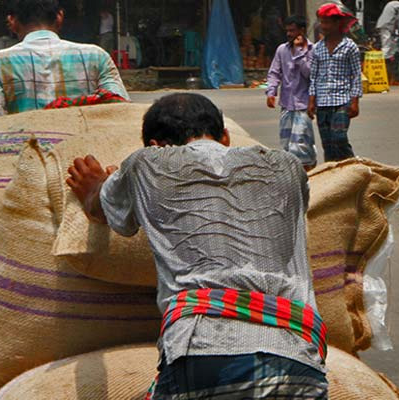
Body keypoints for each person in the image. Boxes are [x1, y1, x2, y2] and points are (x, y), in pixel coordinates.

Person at [66, 93, 329, 398]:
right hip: (298, 359)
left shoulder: (147, 164)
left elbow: (104, 211)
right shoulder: (287, 166)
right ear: (226, 136)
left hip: (205, 353)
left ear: (155, 146)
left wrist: (96, 186)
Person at [0, 0, 129, 118]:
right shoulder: (97, 56)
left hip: (25, 154)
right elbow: (120, 111)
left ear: (12, 21)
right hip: (85, 157)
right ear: (60, 16)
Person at [308, 4, 362, 162]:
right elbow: (314, 76)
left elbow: (356, 75)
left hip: (342, 100)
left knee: (339, 138)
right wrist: (311, 101)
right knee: (328, 144)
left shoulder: (350, 47)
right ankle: (333, 174)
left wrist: (355, 102)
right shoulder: (317, 49)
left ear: (338, 24)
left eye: (327, 22)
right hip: (322, 102)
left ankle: (354, 167)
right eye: (321, 22)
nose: (323, 26)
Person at [266, 15, 317, 169]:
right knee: (287, 143)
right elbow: (274, 72)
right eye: (287, 30)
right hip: (287, 105)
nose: (288, 34)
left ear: (301, 31)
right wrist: (271, 91)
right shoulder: (282, 50)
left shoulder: (313, 50)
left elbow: (310, 74)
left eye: (292, 30)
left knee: (300, 143)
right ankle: (294, 175)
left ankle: (307, 172)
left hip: (304, 104)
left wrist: (300, 53)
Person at [376, 0, 399, 83]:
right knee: (387, 46)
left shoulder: (391, 3)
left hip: (383, 24)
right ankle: (383, 60)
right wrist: (398, 30)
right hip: (387, 26)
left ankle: (388, 57)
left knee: (390, 45)